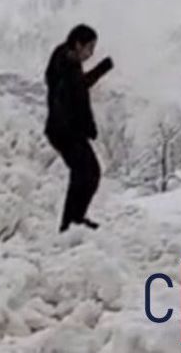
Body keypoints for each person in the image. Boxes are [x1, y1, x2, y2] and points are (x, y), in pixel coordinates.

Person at [44, 24, 114, 232]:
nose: (91, 53)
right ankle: (71, 222)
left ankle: (73, 221)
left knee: (85, 173)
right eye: (89, 48)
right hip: (65, 131)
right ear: (78, 44)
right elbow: (74, 98)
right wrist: (86, 126)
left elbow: (79, 87)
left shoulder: (66, 61)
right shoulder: (66, 66)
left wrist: (101, 69)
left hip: (65, 130)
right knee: (88, 173)